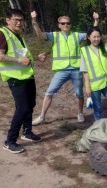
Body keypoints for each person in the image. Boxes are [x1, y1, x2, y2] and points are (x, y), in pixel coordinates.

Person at [30, 11, 99, 125]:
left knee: (79, 94)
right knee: (49, 92)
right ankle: (42, 116)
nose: (65, 25)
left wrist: (96, 20)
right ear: (59, 25)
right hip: (61, 70)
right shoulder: (54, 36)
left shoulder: (76, 35)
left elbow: (92, 34)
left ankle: (80, 113)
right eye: (63, 23)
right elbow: (40, 35)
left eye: (67, 23)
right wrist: (34, 21)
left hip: (76, 69)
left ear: (70, 24)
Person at [0, 8, 46, 153]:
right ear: (7, 20)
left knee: (30, 104)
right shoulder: (3, 34)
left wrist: (36, 59)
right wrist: (18, 61)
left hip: (27, 76)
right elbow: (0, 56)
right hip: (15, 78)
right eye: (16, 20)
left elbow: (24, 58)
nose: (19, 23)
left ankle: (27, 132)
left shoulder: (18, 35)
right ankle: (10, 141)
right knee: (22, 108)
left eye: (21, 20)